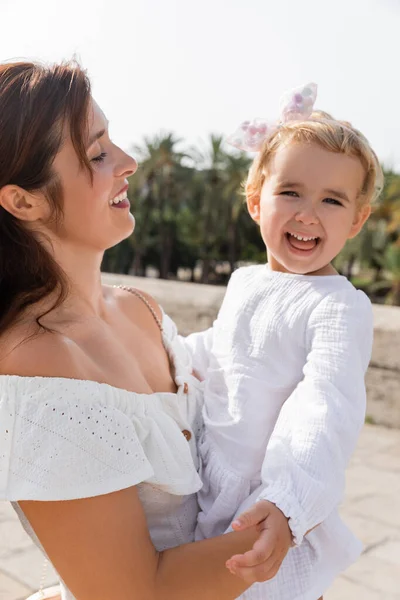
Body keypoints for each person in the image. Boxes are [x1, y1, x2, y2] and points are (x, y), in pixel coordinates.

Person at [0, 60, 277, 600]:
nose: (128, 163)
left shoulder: (139, 309)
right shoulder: (38, 363)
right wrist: (291, 524)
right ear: (23, 201)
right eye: (98, 153)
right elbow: (130, 593)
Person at [183, 83, 382, 600]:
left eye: (332, 200)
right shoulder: (247, 280)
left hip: (271, 501)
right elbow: (220, 350)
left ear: (357, 220)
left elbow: (326, 405)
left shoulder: (338, 306)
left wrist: (289, 504)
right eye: (290, 191)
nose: (307, 213)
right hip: (211, 488)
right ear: (255, 200)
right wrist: (163, 350)